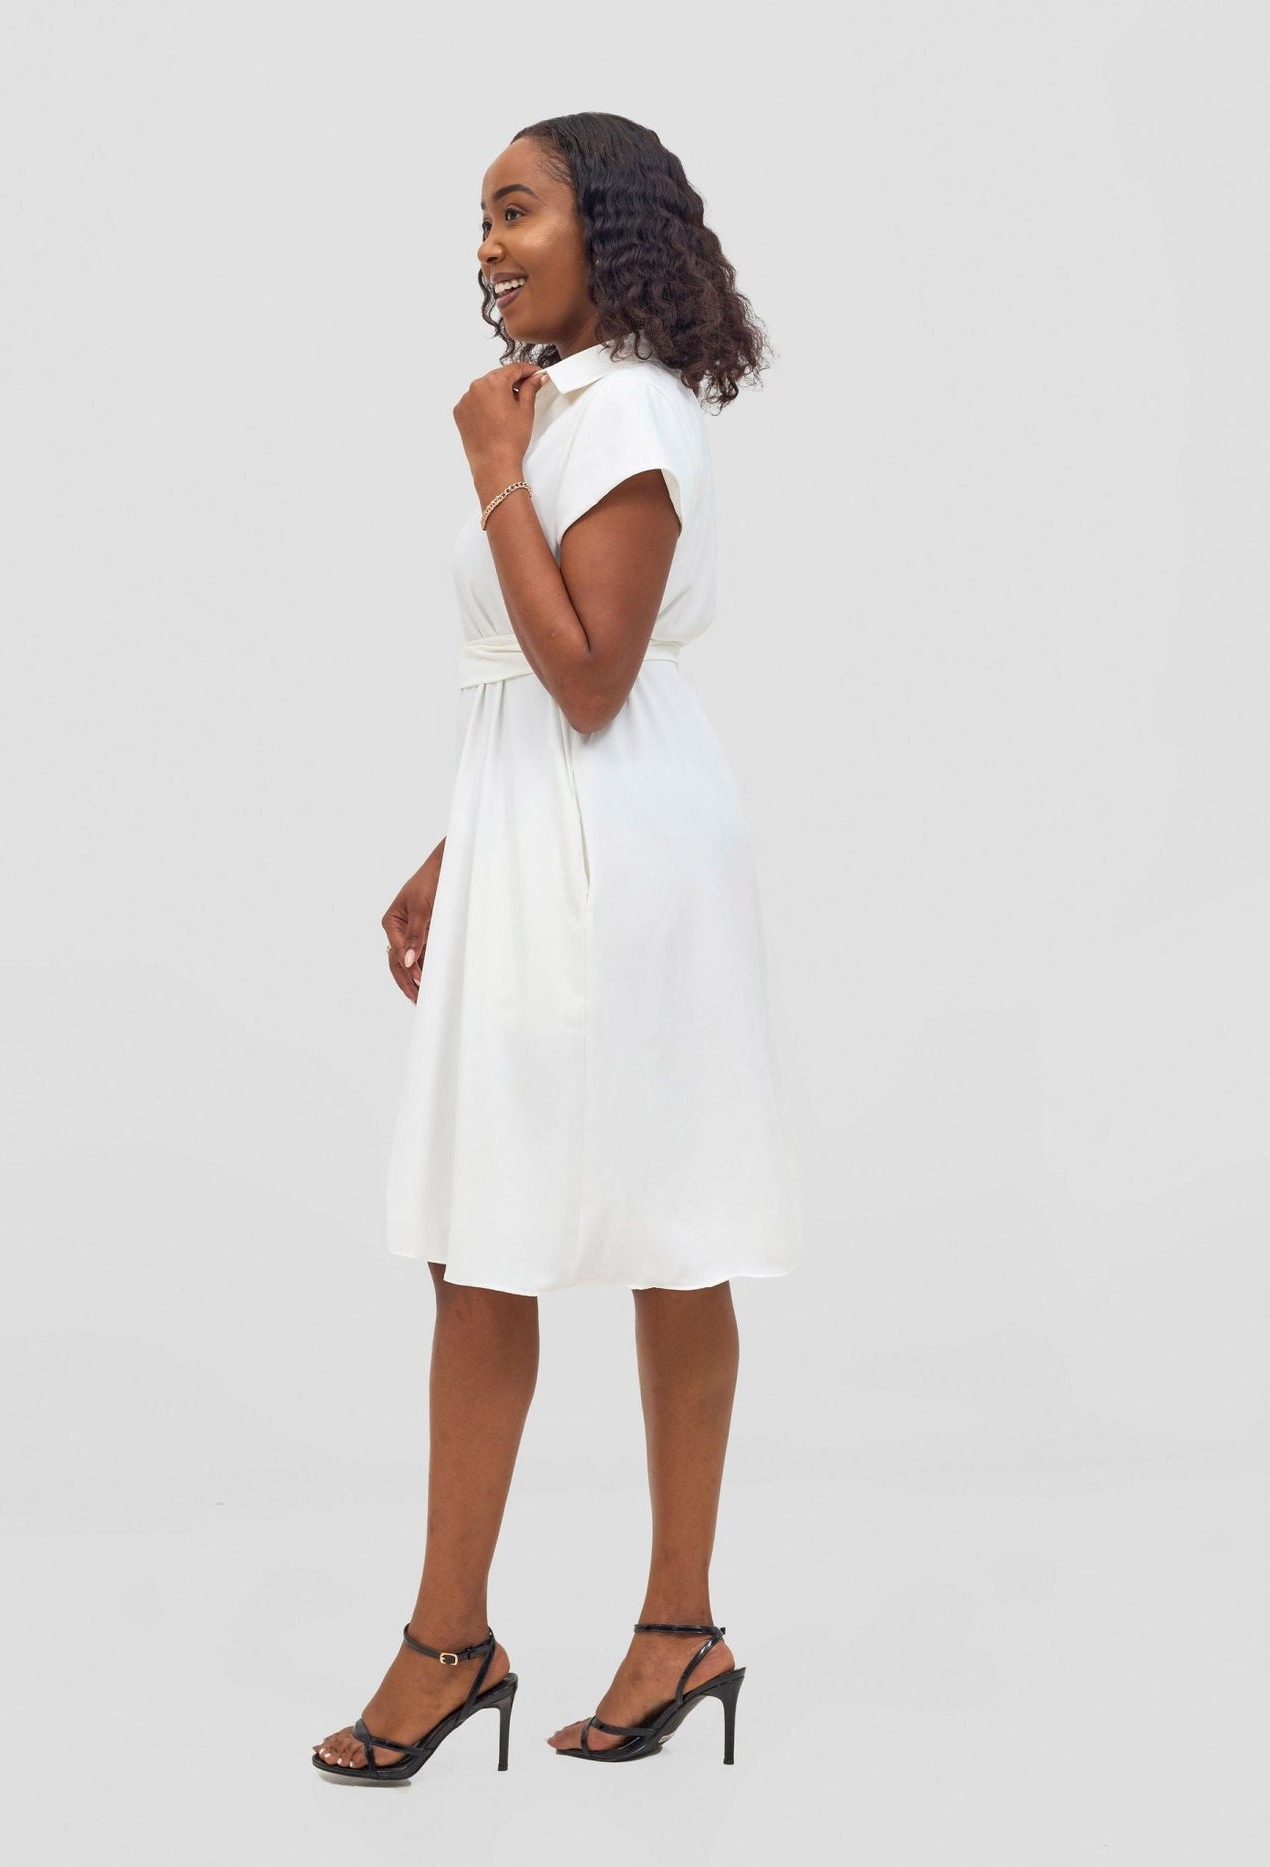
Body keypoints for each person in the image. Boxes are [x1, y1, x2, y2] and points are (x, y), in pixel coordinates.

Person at [313, 111, 802, 1785]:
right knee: (494, 1229)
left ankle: (577, 1634)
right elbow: (547, 690)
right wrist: (461, 844)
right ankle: (518, 1636)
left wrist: (491, 468)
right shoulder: (564, 403)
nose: (487, 247)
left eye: (515, 210)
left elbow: (594, 674)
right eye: (480, 219)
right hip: (549, 826)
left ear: (607, 225)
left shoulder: (627, 411)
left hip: (622, 853)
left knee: (659, 1222)